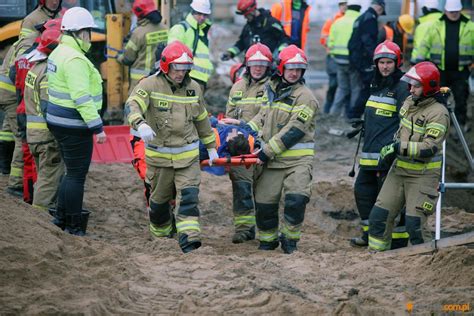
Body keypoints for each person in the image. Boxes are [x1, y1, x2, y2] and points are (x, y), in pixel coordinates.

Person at [127, 41, 216, 253]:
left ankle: (190, 241)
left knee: (189, 198)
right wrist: (141, 124)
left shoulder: (194, 88)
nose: (181, 73)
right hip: (159, 160)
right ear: (167, 66)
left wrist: (211, 145)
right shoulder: (148, 85)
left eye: (185, 69)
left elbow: (202, 119)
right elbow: (132, 105)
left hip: (188, 157)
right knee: (158, 204)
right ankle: (162, 237)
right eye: (177, 68)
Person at [368, 61, 450, 251]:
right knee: (378, 218)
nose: (410, 89)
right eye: (410, 84)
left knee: (415, 227)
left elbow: (429, 148)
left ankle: (424, 267)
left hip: (423, 175)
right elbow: (401, 131)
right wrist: (391, 149)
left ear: (429, 87)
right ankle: (377, 258)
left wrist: (398, 148)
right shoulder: (409, 102)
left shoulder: (439, 113)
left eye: (416, 85)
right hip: (399, 170)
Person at [246, 45, 318, 254]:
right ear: (281, 68)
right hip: (272, 161)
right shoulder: (271, 90)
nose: (294, 73)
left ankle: (290, 240)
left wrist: (265, 152)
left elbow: (293, 131)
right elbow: (262, 117)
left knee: (296, 200)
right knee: (264, 204)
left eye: (298, 69)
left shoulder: (306, 97)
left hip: (297, 161)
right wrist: (243, 131)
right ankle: (268, 241)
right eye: (290, 68)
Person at [46, 7, 107, 236]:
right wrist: (97, 127)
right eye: (87, 32)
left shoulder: (59, 51)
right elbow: (81, 98)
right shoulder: (74, 59)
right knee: (76, 175)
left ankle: (60, 217)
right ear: (78, 33)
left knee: (70, 172)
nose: (89, 37)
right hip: (74, 125)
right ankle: (73, 226)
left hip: (58, 120)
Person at [350, 41, 410, 248]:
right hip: (369, 155)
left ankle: (398, 241)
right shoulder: (376, 84)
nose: (384, 66)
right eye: (381, 62)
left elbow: (406, 122)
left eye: (388, 63)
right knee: (363, 192)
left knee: (390, 201)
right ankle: (368, 235)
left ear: (397, 63)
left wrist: (395, 149)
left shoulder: (402, 87)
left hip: (388, 157)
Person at [222, 43, 273, 243]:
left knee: (263, 192)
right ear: (247, 65)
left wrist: (246, 127)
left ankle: (265, 229)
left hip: (263, 147)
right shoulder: (237, 87)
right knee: (242, 189)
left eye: (262, 64)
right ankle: (244, 229)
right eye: (254, 63)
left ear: (268, 66)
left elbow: (267, 115)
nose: (258, 67)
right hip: (241, 150)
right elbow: (229, 117)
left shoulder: (272, 88)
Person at [416, 0, 473, 131]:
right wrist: (417, 62)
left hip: (461, 71)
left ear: (460, 10)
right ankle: (438, 123)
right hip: (440, 71)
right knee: (438, 98)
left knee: (461, 98)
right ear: (446, 11)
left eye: (456, 11)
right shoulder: (436, 25)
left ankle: (459, 125)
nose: (453, 14)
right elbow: (425, 44)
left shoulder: (470, 26)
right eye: (451, 12)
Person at [24, 27, 64, 211]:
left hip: (34, 135)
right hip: (47, 137)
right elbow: (50, 109)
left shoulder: (35, 67)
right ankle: (39, 218)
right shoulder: (48, 73)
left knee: (44, 176)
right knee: (48, 180)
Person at [117, 0, 168, 93]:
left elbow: (128, 58)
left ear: (138, 14)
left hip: (140, 81)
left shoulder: (139, 32)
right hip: (160, 78)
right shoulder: (164, 28)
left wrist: (119, 57)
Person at [347, 0, 385, 119]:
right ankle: (355, 114)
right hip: (362, 59)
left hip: (355, 56)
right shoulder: (370, 19)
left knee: (358, 87)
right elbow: (368, 41)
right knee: (368, 86)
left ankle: (354, 113)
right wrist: (376, 58)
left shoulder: (361, 17)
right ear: (379, 8)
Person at [167, 0, 213, 91]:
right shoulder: (180, 29)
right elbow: (172, 54)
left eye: (205, 15)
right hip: (188, 78)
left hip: (201, 79)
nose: (202, 17)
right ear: (192, 11)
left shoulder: (202, 30)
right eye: (199, 14)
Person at [221, 0, 289, 60]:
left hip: (269, 65)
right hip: (250, 64)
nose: (245, 17)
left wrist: (279, 55)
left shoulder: (271, 23)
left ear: (253, 11)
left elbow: (284, 40)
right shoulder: (248, 27)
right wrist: (230, 53)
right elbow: (241, 43)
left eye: (247, 15)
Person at [327, 1, 361, 117]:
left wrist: (334, 56)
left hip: (339, 60)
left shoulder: (337, 22)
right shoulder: (359, 22)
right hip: (353, 61)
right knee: (355, 88)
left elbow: (330, 42)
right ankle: (352, 115)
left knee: (342, 88)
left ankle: (333, 114)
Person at [320, 0, 347, 114]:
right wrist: (332, 45)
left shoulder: (354, 20)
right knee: (333, 84)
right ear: (339, 6)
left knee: (345, 85)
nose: (344, 7)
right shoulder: (332, 20)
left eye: (346, 4)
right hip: (333, 57)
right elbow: (323, 37)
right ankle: (327, 110)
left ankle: (342, 113)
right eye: (342, 4)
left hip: (347, 58)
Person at [410, 0, 442, 64]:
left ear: (426, 9)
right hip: (443, 62)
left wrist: (413, 62)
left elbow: (418, 47)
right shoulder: (444, 22)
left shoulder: (422, 26)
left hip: (425, 61)